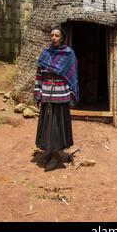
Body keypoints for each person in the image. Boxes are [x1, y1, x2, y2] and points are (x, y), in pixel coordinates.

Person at [34, 27, 79, 171]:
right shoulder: (45, 54)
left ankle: (55, 155)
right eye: (52, 35)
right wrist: (37, 94)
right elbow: (39, 75)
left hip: (61, 95)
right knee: (47, 123)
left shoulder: (68, 54)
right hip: (47, 94)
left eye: (56, 35)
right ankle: (49, 150)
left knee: (57, 125)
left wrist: (72, 95)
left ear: (62, 38)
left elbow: (72, 76)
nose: (53, 37)